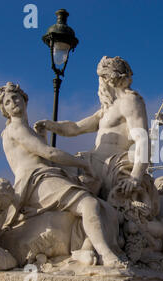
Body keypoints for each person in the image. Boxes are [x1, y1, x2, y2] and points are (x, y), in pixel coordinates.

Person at [0, 82, 125, 267]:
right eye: (7, 102)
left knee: (99, 206)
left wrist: (43, 137)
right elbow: (49, 154)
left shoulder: (25, 130)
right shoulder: (16, 128)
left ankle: (85, 250)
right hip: (37, 180)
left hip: (44, 176)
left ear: (24, 100)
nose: (13, 102)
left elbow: (43, 156)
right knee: (89, 204)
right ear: (5, 111)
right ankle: (106, 254)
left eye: (15, 97)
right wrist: (82, 163)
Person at [34, 56, 150, 201]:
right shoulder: (106, 110)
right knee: (49, 167)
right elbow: (75, 128)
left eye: (101, 79)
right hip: (91, 161)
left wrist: (136, 176)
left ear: (107, 79)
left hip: (109, 166)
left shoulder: (130, 101)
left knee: (56, 171)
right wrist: (51, 125)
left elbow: (142, 139)